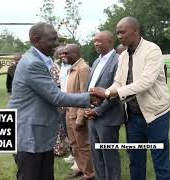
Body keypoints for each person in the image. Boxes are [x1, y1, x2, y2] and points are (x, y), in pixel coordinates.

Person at [8, 22, 103, 180]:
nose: (57, 44)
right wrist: (90, 97)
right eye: (53, 40)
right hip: (29, 137)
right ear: (36, 40)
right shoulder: (33, 63)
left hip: (39, 136)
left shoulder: (39, 60)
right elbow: (56, 97)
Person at [90, 17, 170, 180]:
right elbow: (118, 82)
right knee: (135, 160)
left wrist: (107, 93)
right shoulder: (123, 56)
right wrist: (105, 93)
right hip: (134, 116)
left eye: (122, 32)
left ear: (135, 30)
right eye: (117, 33)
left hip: (156, 115)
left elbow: (145, 83)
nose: (119, 36)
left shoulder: (152, 50)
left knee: (160, 161)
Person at [84, 31, 124, 180]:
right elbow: (91, 87)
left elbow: (116, 91)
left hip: (108, 117)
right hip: (92, 116)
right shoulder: (96, 61)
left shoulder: (119, 60)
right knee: (97, 155)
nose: (96, 43)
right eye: (94, 41)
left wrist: (98, 111)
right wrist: (89, 108)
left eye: (99, 41)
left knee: (109, 156)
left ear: (110, 42)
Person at [62, 44, 94, 180]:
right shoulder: (71, 68)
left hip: (77, 114)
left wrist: (80, 119)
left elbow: (84, 95)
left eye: (66, 53)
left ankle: (90, 173)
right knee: (74, 144)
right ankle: (81, 169)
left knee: (83, 145)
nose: (63, 56)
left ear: (74, 54)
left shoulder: (83, 69)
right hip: (69, 112)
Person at [51, 46, 71, 156]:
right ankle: (61, 148)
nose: (62, 56)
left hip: (60, 99)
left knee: (60, 127)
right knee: (60, 126)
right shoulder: (59, 66)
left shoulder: (54, 66)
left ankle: (60, 148)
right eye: (60, 54)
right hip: (58, 99)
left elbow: (57, 84)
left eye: (65, 53)